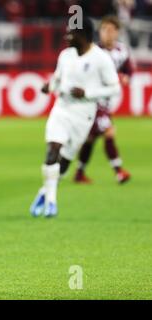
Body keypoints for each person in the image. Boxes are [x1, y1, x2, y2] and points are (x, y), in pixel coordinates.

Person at [30, 17, 121, 217]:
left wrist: (88, 93)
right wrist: (50, 86)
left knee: (64, 162)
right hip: (61, 109)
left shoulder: (100, 58)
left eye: (71, 33)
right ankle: (52, 204)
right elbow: (57, 77)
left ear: (83, 36)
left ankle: (44, 192)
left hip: (84, 116)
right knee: (52, 149)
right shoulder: (65, 55)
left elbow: (114, 87)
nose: (67, 37)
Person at [74, 15, 132, 184]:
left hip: (106, 100)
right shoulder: (92, 51)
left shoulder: (122, 51)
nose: (107, 33)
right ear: (99, 32)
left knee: (90, 138)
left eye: (111, 30)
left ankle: (79, 172)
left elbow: (128, 70)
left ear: (117, 32)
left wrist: (127, 77)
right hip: (92, 99)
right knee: (109, 131)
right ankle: (119, 171)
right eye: (104, 29)